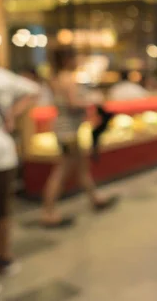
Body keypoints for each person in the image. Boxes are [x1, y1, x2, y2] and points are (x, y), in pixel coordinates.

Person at [42, 49, 118, 228]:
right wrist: (93, 100)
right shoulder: (68, 79)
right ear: (68, 59)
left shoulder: (56, 78)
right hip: (68, 131)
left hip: (65, 130)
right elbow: (73, 103)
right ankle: (48, 212)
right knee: (62, 171)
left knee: (82, 167)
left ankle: (95, 199)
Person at [0, 68, 38, 278]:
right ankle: (4, 257)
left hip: (3, 153)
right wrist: (13, 114)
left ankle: (4, 257)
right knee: (3, 210)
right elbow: (33, 90)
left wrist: (12, 113)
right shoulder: (3, 77)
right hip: (3, 152)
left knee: (3, 210)